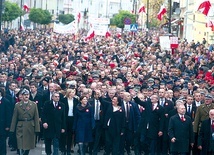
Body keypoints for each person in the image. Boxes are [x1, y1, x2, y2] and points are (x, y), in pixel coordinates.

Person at [10, 88, 40, 155]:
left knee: (28, 144)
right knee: (20, 143)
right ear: (22, 96)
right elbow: (14, 117)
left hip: (30, 126)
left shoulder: (33, 105)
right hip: (20, 125)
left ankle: (26, 153)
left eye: (27, 94)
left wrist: (37, 129)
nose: (26, 96)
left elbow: (36, 117)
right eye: (25, 95)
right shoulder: (18, 105)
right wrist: (12, 129)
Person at [61, 89, 79, 155]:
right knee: (64, 134)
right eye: (72, 92)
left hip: (72, 118)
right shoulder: (64, 100)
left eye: (74, 92)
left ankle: (68, 149)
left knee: (70, 135)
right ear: (68, 93)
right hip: (65, 118)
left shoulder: (76, 100)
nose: (73, 93)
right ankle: (63, 148)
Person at [0, 88, 10, 155]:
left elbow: (8, 114)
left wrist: (7, 125)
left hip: (2, 125)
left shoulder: (6, 101)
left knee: (2, 141)